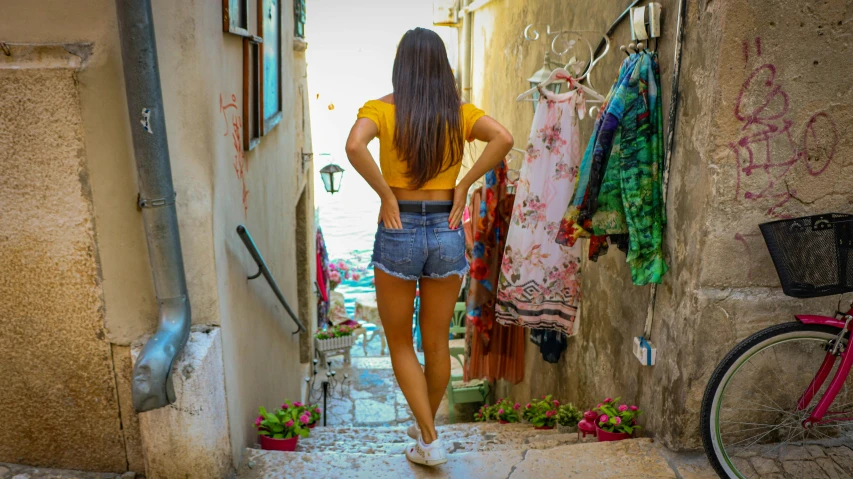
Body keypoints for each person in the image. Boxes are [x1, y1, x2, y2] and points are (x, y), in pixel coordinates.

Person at [345, 27, 513, 466]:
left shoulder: (379, 110)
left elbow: (353, 145)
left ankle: (429, 435)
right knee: (436, 342)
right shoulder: (459, 113)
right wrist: (464, 185)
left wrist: (384, 193)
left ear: (401, 65)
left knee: (400, 341)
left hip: (398, 225)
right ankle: (427, 434)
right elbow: (504, 138)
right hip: (447, 229)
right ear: (443, 67)